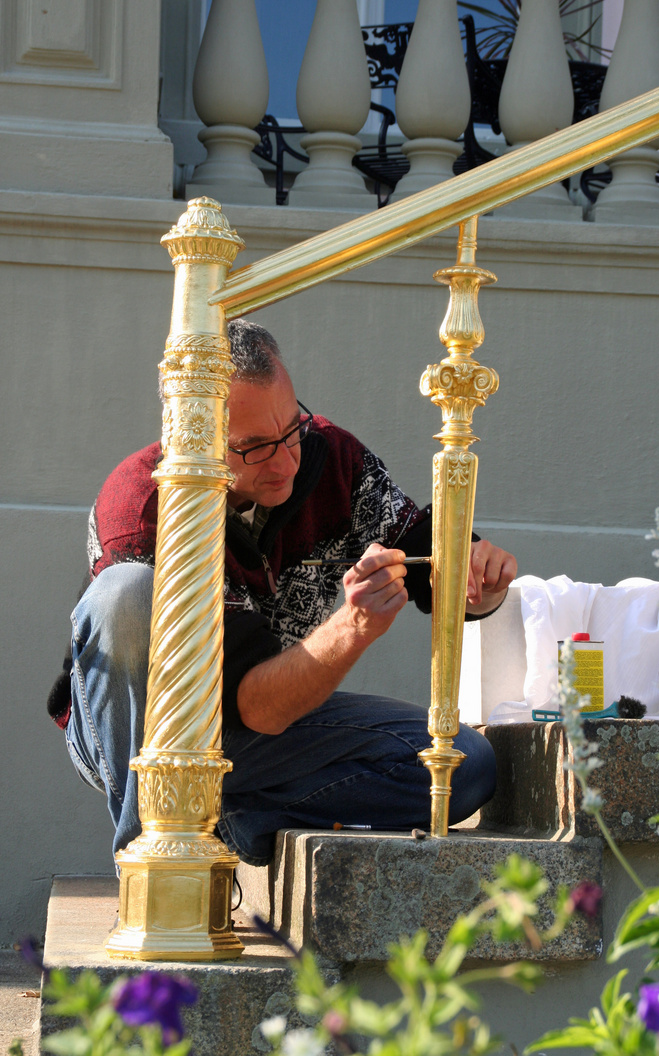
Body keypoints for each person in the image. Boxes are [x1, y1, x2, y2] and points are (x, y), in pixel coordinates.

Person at [48, 320, 517, 867]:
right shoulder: (144, 508)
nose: (286, 460)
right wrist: (353, 627)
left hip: (258, 734)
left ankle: (241, 817)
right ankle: (153, 868)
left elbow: (423, 556)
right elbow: (254, 704)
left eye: (291, 428)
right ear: (192, 435)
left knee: (465, 764)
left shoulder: (330, 456)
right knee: (124, 595)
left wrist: (476, 577)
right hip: (140, 737)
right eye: (252, 448)